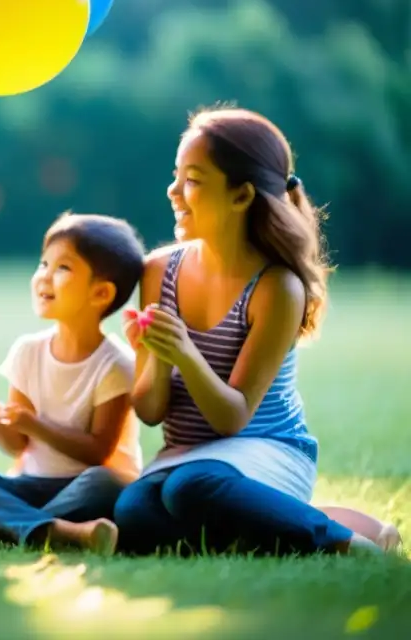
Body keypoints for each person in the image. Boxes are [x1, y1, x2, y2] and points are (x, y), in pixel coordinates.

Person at [114, 108, 396, 556]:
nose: (173, 191)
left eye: (192, 179)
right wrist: (158, 357)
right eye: (176, 175)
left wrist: (186, 353)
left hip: (266, 449)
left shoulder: (276, 287)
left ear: (242, 195)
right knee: (133, 514)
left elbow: (233, 417)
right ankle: (282, 517)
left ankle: (344, 541)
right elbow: (150, 411)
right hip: (186, 458)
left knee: (190, 490)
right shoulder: (157, 272)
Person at [0, 213, 144, 555]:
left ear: (100, 293)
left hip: (86, 486)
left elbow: (98, 451)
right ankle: (61, 531)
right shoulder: (27, 351)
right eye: (43, 264)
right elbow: (17, 445)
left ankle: (7, 530)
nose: (44, 277)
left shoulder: (115, 365)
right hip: (31, 483)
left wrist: (35, 424)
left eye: (62, 268)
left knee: (105, 484)